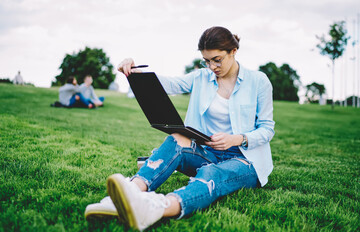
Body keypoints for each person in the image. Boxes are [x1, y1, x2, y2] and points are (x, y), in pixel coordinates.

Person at [85, 26, 275, 231]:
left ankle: (155, 208)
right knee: (176, 137)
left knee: (212, 173)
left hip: (244, 160)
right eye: (207, 60)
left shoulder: (258, 81)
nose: (212, 66)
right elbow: (168, 84)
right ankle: (127, 194)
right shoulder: (201, 77)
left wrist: (237, 139)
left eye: (217, 59)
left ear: (233, 52)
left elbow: (267, 129)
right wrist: (134, 72)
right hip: (208, 151)